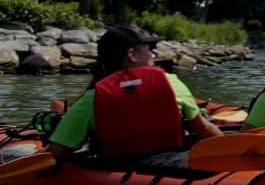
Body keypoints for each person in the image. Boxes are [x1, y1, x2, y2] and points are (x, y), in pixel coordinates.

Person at [46, 24, 222, 160]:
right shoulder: (172, 84)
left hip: (115, 170)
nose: (153, 55)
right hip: (172, 165)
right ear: (132, 55)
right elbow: (204, 131)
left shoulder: (93, 99)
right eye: (149, 50)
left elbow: (57, 151)